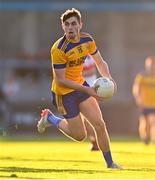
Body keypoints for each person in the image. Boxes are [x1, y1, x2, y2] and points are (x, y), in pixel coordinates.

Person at [37, 8, 122, 169]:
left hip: (80, 86)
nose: (70, 27)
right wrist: (89, 90)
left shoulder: (88, 40)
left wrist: (109, 79)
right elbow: (61, 81)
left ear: (80, 25)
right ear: (63, 26)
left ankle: (110, 163)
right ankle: (50, 118)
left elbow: (100, 62)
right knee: (80, 135)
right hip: (63, 94)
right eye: (67, 24)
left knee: (99, 124)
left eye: (73, 24)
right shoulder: (59, 49)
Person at [133, 56, 155, 144]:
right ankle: (145, 138)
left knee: (153, 122)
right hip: (144, 103)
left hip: (154, 103)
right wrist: (138, 99)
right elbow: (136, 88)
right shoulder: (141, 76)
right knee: (144, 122)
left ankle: (153, 139)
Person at [83, 55, 99, 151]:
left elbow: (91, 71)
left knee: (92, 118)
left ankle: (96, 142)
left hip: (91, 91)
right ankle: (94, 142)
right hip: (81, 91)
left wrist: (76, 74)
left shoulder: (89, 56)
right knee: (85, 120)